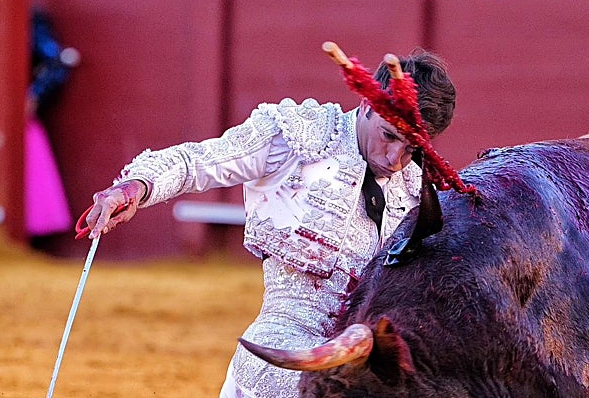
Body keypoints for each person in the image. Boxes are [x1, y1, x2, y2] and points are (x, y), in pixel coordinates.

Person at [82, 48, 458, 398]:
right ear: (366, 104)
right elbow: (196, 162)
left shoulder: (418, 187)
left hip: (367, 352)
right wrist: (136, 187)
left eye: (412, 148)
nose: (395, 157)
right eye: (389, 136)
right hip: (283, 338)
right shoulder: (301, 137)